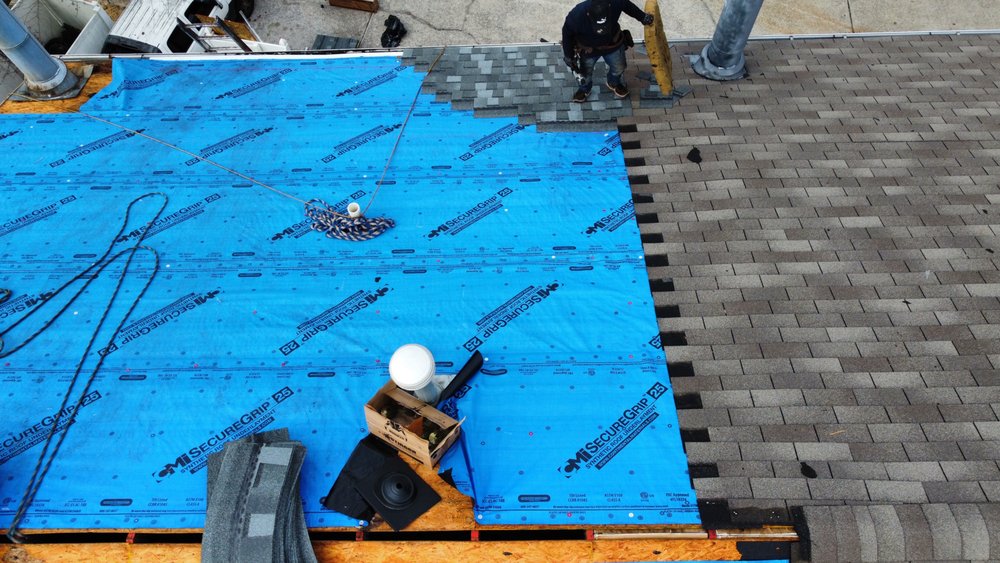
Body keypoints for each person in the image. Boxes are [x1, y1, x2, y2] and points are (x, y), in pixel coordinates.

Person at [562, 0, 654, 103]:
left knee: (619, 67)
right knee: (584, 73)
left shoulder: (616, 2)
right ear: (588, 14)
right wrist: (568, 55)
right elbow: (566, 34)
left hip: (612, 45)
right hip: (587, 49)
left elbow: (628, 6)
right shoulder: (576, 15)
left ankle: (614, 83)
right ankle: (584, 89)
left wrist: (642, 17)